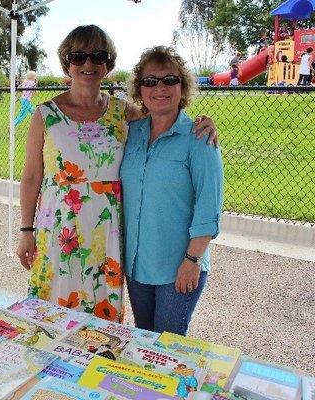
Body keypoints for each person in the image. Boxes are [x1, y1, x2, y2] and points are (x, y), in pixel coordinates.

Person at [16, 25, 218, 323]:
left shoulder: (124, 114)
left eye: (98, 56)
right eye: (78, 56)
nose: (88, 64)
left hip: (106, 235)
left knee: (102, 321)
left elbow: (164, 116)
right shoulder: (45, 114)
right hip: (58, 231)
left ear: (108, 64)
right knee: (53, 315)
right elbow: (33, 176)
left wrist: (203, 123)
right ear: (66, 62)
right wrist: (25, 231)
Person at [120, 46, 224, 335]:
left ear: (183, 86)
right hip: (138, 264)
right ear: (140, 90)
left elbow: (209, 206)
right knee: (144, 336)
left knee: (169, 342)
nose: (160, 88)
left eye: (170, 80)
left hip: (179, 266)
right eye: (150, 81)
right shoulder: (130, 131)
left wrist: (192, 261)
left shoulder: (199, 137)